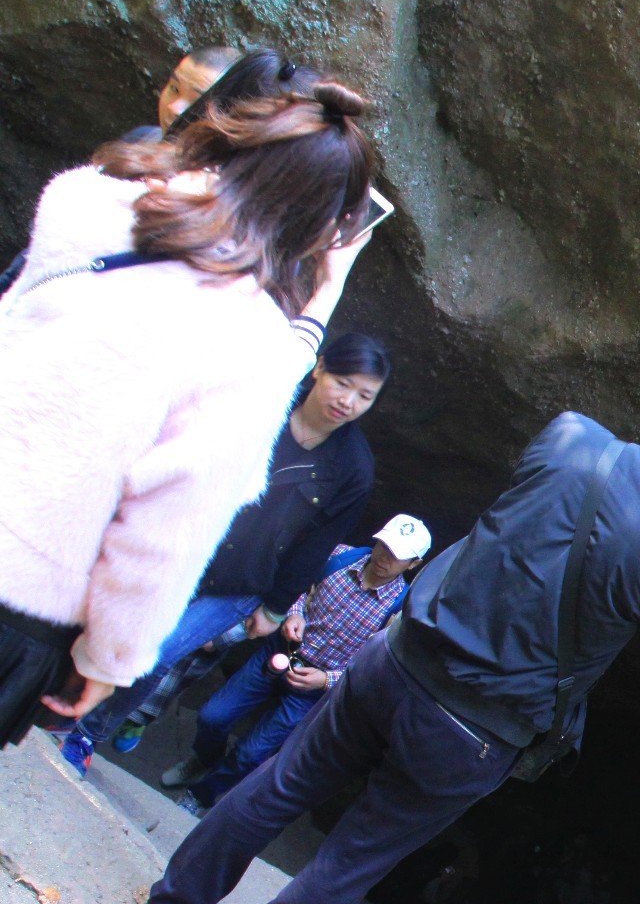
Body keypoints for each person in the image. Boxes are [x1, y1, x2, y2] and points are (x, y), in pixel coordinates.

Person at [120, 369, 640, 904]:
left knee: (279, 785)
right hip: (471, 732)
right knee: (351, 859)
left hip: (398, 659)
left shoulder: (569, 437)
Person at [0, 73, 381, 753]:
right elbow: (161, 539)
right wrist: (107, 661)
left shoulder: (89, 200)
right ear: (327, 229)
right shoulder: (251, 345)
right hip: (19, 601)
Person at [61, 333, 391, 772]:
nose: (348, 401)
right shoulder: (263, 401)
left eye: (364, 395)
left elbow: (314, 546)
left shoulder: (353, 468)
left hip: (242, 580)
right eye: (343, 382)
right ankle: (58, 700)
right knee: (114, 621)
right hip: (184, 544)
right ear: (319, 368)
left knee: (158, 654)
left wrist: (274, 608)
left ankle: (84, 734)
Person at [161, 515, 432, 812]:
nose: (385, 557)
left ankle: (202, 794)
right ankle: (205, 759)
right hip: (279, 652)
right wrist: (293, 613)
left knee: (252, 753)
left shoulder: (399, 610)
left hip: (314, 686)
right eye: (385, 546)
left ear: (413, 564)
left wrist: (327, 680)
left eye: (397, 555)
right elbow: (296, 583)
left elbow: (377, 666)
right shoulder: (340, 556)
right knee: (213, 716)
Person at [0, 45, 243, 296]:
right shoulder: (142, 140)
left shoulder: (218, 191)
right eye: (174, 88)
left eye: (195, 100)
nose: (174, 107)